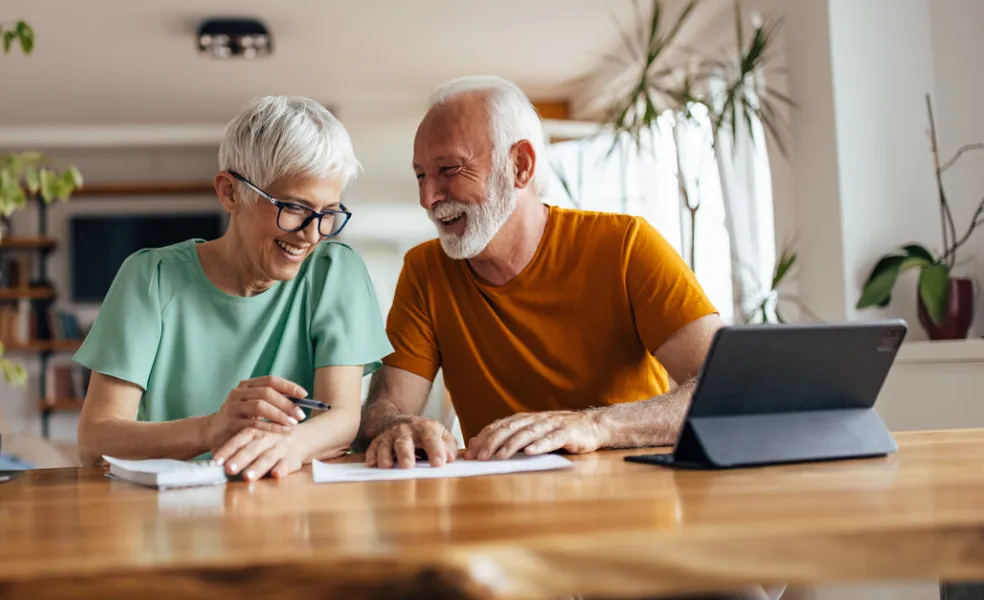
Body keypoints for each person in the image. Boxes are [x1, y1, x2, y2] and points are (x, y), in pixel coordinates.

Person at [355, 74, 724, 468]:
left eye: (449, 169)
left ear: (520, 165)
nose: (428, 197)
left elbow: (726, 390)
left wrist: (597, 426)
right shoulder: (424, 270)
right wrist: (396, 426)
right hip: (498, 510)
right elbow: (385, 406)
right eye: (421, 175)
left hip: (632, 503)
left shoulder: (625, 244)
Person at [75, 95, 393, 481]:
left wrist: (288, 445)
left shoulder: (334, 270)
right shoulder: (151, 278)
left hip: (294, 511)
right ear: (229, 192)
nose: (312, 234)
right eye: (293, 207)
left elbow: (342, 417)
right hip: (171, 517)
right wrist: (211, 429)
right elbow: (96, 440)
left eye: (328, 214)